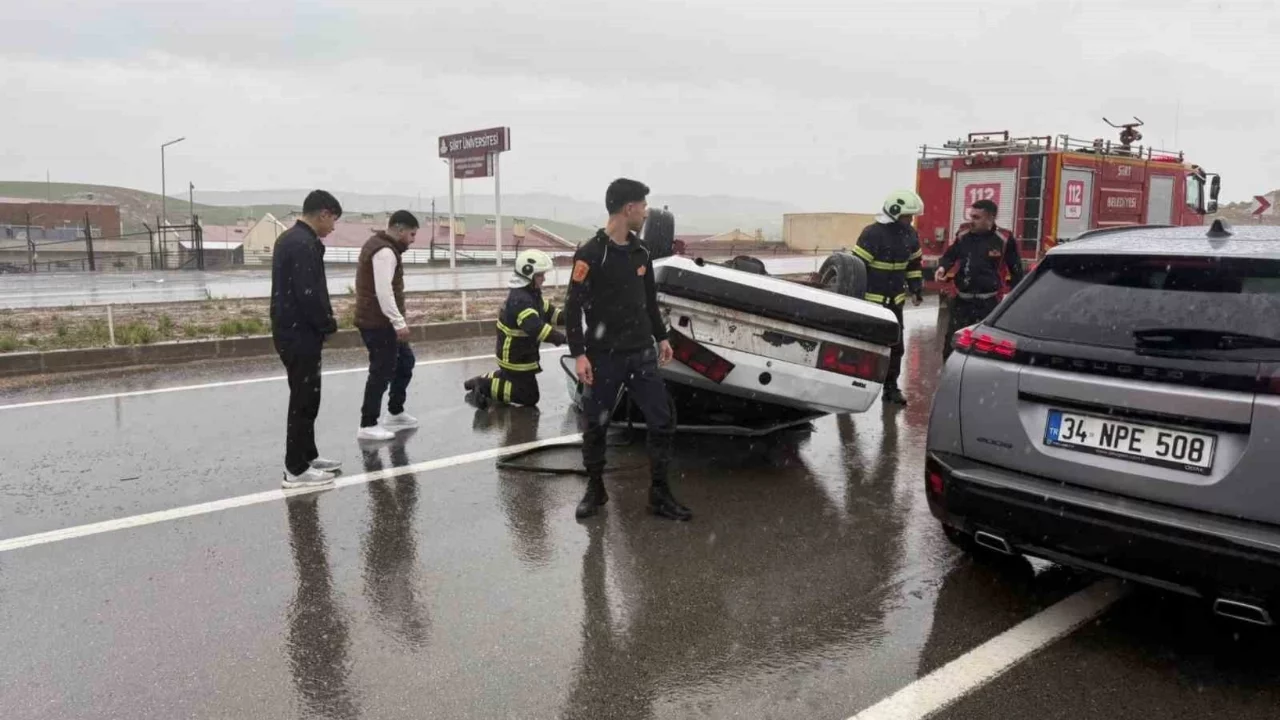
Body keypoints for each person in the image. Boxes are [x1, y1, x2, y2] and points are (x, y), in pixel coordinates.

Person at [565, 178, 691, 522]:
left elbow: (649, 301)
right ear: (628, 208)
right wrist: (579, 354)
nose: (647, 212)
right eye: (643, 206)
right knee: (595, 425)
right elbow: (572, 308)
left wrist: (662, 337)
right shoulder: (591, 253)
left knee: (662, 420)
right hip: (603, 357)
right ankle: (595, 489)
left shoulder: (642, 252)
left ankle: (659, 495)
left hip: (641, 353)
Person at [271, 190, 342, 488]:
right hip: (299, 332)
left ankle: (307, 455)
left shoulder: (290, 239)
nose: (333, 228)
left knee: (308, 396)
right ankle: (295, 470)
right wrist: (327, 324)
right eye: (333, 220)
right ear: (323, 213)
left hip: (292, 330)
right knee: (303, 399)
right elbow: (309, 292)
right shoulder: (302, 244)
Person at [463, 248, 566, 409]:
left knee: (512, 380)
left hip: (519, 355)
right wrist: (564, 339)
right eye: (540, 275)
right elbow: (536, 328)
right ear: (528, 275)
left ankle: (482, 380)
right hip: (515, 358)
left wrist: (571, 318)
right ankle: (483, 386)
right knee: (529, 396)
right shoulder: (521, 300)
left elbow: (549, 312)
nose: (544, 279)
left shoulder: (531, 294)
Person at [853, 189, 926, 406]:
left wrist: (916, 288)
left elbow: (913, 265)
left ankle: (891, 388)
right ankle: (855, 385)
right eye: (907, 216)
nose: (911, 220)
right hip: (871, 304)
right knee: (863, 346)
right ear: (894, 213)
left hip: (896, 304)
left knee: (896, 348)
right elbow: (858, 267)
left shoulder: (910, 235)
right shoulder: (872, 234)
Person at [355, 210, 421, 441]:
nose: (413, 239)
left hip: (380, 320)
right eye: (412, 234)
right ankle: (368, 423)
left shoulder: (383, 246)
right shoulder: (385, 252)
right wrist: (398, 322)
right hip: (378, 322)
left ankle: (395, 412)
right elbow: (384, 292)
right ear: (400, 230)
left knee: (405, 362)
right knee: (381, 371)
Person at [935, 199, 1025, 360]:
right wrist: (943, 267)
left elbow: (1016, 269)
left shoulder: (1004, 238)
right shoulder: (963, 233)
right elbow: (951, 254)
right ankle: (949, 379)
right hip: (962, 301)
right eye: (971, 216)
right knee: (952, 346)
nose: (971, 221)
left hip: (988, 303)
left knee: (986, 348)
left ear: (990, 218)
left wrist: (1015, 297)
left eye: (977, 217)